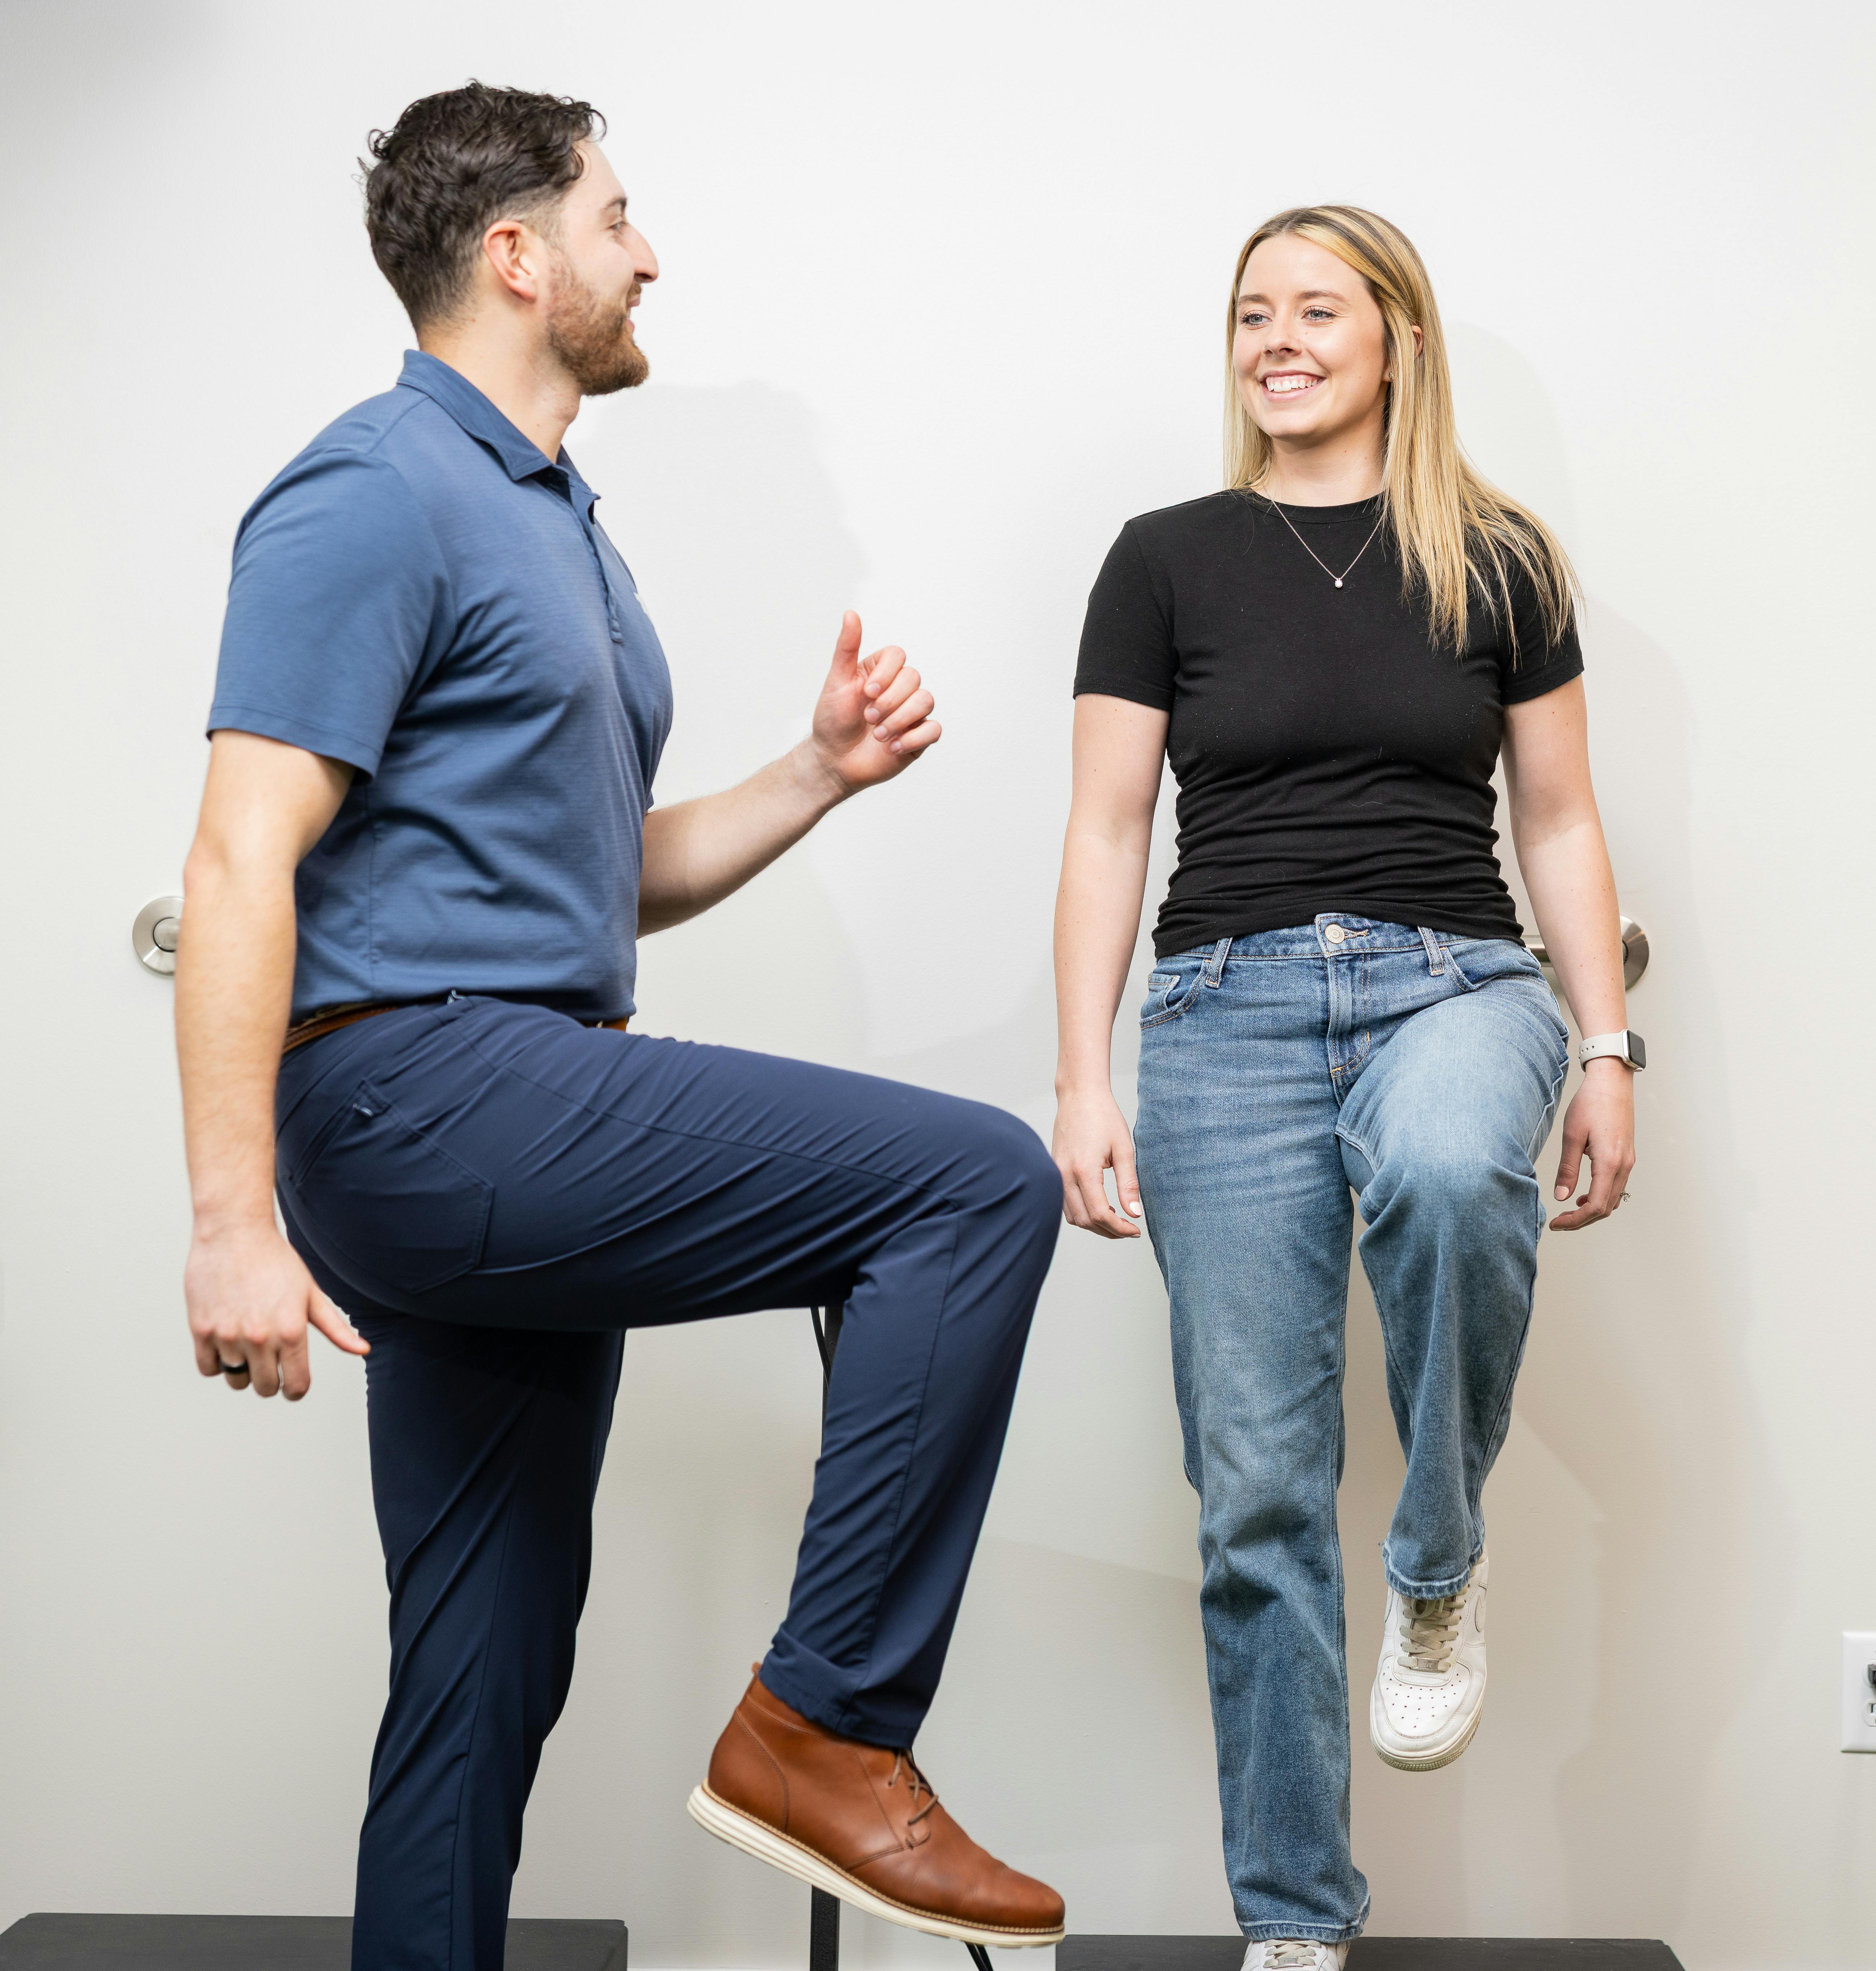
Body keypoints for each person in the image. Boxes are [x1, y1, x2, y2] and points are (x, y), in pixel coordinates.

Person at [175, 85, 1065, 1971]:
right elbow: (244, 849)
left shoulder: (554, 519)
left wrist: (816, 773)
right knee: (975, 1186)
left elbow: (601, 877)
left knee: (483, 1670)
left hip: (500, 1086)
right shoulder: (374, 488)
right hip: (426, 1090)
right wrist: (230, 1216)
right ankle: (829, 1723)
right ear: (517, 256)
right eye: (616, 216)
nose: (646, 251)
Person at [1049, 205, 1641, 1967]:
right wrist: (1082, 1076)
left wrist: (1601, 1046)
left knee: (1461, 1174)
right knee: (1253, 1491)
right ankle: (1295, 1921)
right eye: (1251, 313)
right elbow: (1101, 831)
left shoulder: (1498, 556)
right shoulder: (1160, 559)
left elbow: (1558, 819)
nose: (1278, 339)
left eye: (1316, 309)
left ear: (1397, 339)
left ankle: (1438, 1564)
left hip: (1449, 976)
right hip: (1220, 1010)